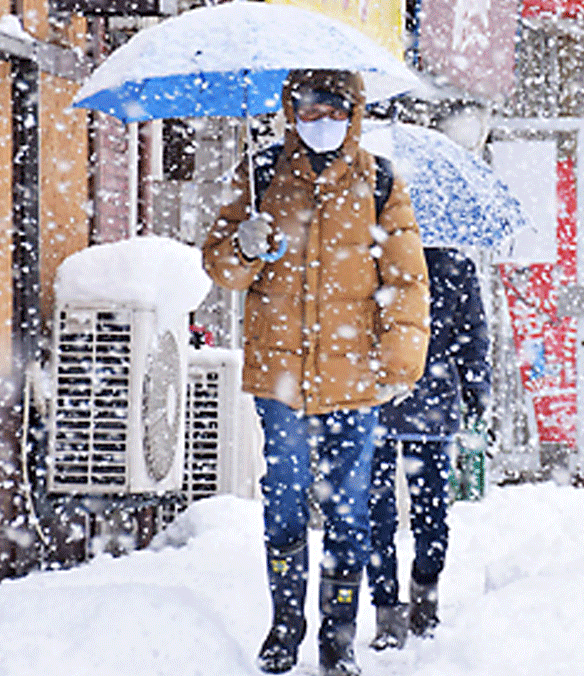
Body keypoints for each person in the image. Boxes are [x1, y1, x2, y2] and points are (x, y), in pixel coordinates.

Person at [203, 69, 430, 676]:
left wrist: (397, 365)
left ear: (353, 112)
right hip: (279, 380)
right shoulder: (261, 174)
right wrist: (244, 246)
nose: (318, 121)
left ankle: (338, 637)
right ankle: (285, 626)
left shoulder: (380, 182)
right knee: (282, 506)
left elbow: (407, 286)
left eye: (332, 110)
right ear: (289, 110)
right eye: (306, 110)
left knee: (349, 509)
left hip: (354, 383)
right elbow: (223, 269)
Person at [367, 245, 492, 650]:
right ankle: (424, 597)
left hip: (375, 401)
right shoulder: (453, 264)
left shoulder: (371, 254)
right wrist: (475, 387)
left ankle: (389, 611)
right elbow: (472, 335)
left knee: (378, 514)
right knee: (429, 511)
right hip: (429, 407)